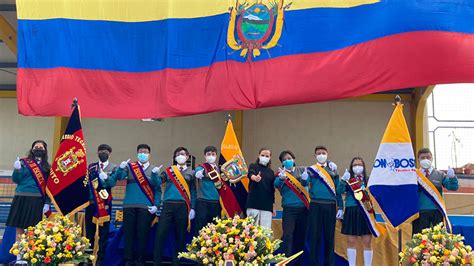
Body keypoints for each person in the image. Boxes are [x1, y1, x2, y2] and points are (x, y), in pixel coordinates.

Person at [112, 144, 162, 266]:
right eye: (140, 152)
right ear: (137, 153)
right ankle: (128, 260)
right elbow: (118, 178)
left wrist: (156, 205)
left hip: (146, 208)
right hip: (129, 205)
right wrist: (120, 167)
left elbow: (158, 188)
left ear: (149, 154)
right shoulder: (130, 167)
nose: (143, 154)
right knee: (128, 234)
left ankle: (140, 260)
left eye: (145, 152)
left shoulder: (154, 169)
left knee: (142, 234)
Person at [154, 147, 196, 266]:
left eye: (182, 154)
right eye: (177, 154)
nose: (180, 156)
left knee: (180, 234)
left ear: (187, 157)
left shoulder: (191, 172)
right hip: (167, 205)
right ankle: (157, 262)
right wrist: (154, 174)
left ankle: (176, 262)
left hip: (183, 206)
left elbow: (193, 191)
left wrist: (193, 207)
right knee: (161, 233)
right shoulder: (168, 171)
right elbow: (157, 183)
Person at [307, 145, 342, 266]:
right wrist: (303, 179)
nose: (321, 155)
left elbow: (338, 190)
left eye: (323, 153)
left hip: (330, 205)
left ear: (327, 154)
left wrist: (341, 207)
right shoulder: (311, 170)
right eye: (319, 153)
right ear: (315, 156)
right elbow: (304, 183)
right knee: (314, 237)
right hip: (315, 205)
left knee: (329, 238)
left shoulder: (333, 169)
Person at [274, 150, 309, 266]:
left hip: (303, 209)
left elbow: (307, 183)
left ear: (294, 159)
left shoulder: (302, 170)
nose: (287, 161)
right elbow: (276, 185)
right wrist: (281, 179)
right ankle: (286, 262)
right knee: (288, 235)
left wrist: (305, 180)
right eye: (284, 160)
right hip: (289, 209)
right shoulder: (281, 173)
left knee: (301, 236)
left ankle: (298, 263)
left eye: (289, 158)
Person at [412, 148, 459, 234]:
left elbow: (453, 187)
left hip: (437, 212)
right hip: (419, 213)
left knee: (438, 241)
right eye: (422, 158)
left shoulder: (440, 175)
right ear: (418, 160)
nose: (426, 159)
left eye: (428, 157)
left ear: (432, 159)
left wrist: (452, 178)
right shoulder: (413, 175)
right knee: (418, 241)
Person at [85, 144, 117, 266]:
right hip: (92, 204)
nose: (103, 152)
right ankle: (87, 259)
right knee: (89, 234)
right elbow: (87, 184)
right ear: (97, 152)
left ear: (110, 153)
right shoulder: (91, 167)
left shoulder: (114, 167)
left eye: (105, 151)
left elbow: (113, 182)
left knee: (104, 235)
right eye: (101, 150)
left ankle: (101, 260)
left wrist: (106, 178)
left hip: (106, 205)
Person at [338, 157, 373, 266]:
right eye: (354, 165)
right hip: (351, 210)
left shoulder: (368, 179)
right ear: (351, 168)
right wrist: (343, 180)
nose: (357, 167)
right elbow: (338, 191)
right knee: (351, 241)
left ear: (364, 166)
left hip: (366, 212)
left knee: (367, 241)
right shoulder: (348, 180)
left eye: (359, 164)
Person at [194, 146, 221, 234]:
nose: (211, 156)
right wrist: (201, 173)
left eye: (213, 154)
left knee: (214, 230)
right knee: (201, 228)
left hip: (216, 202)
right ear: (205, 156)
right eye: (208, 154)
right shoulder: (201, 167)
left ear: (216, 155)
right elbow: (197, 174)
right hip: (203, 201)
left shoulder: (219, 170)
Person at [246, 148, 275, 229]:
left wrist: (273, 206)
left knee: (266, 230)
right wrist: (255, 178)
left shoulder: (271, 172)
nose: (264, 157)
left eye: (267, 156)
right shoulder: (253, 166)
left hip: (267, 205)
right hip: (253, 203)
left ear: (270, 158)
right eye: (262, 155)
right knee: (252, 229)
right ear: (258, 156)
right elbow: (250, 174)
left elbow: (272, 190)